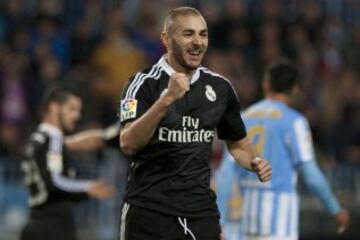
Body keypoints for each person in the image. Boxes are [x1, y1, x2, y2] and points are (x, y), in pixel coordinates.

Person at [118, 7, 272, 240]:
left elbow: (238, 143)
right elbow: (128, 143)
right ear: (167, 39)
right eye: (188, 34)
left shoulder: (220, 88)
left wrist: (255, 160)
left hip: (201, 214)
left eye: (203, 34)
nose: (198, 42)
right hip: (150, 212)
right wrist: (166, 100)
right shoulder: (142, 84)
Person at [215, 59, 350, 240]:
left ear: (266, 84)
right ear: (295, 89)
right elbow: (310, 175)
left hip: (246, 215)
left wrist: (220, 219)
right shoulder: (294, 121)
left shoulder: (244, 117)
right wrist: (335, 208)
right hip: (279, 219)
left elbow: (225, 173)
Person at [20, 87, 116, 240]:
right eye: (72, 109)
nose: (77, 116)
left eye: (79, 111)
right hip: (54, 227)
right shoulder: (54, 138)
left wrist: (85, 192)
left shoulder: (35, 139)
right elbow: (54, 182)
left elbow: (49, 185)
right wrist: (87, 187)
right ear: (54, 108)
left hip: (35, 222)